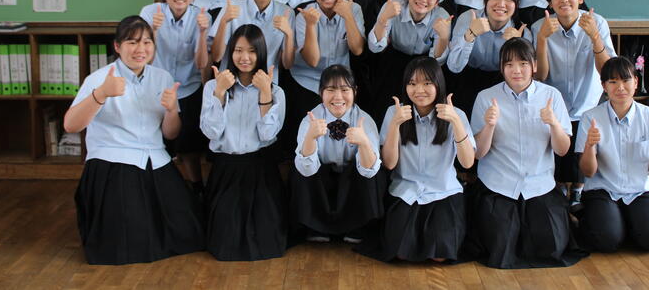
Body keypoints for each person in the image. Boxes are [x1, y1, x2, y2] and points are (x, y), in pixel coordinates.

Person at [64, 16, 204, 265]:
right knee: (127, 240)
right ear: (117, 46)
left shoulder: (162, 77)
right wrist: (101, 94)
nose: (141, 49)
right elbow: (71, 125)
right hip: (113, 159)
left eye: (147, 42)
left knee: (189, 231)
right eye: (132, 42)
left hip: (154, 158)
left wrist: (172, 110)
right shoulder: (99, 79)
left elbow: (170, 134)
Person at [466, 37, 584, 269]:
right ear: (501, 68)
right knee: (500, 245)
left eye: (523, 63)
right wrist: (489, 125)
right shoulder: (486, 97)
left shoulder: (551, 96)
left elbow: (562, 150)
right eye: (509, 64)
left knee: (551, 245)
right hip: (498, 184)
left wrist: (554, 124)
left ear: (534, 66)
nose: (516, 70)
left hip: (539, 183)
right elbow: (478, 154)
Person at [360, 57, 474, 263]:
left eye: (427, 83)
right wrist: (395, 125)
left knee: (440, 256)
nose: (419, 90)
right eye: (412, 83)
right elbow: (389, 164)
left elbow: (467, 163)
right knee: (401, 254)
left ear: (438, 84)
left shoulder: (456, 114)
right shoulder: (394, 112)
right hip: (406, 191)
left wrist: (456, 122)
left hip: (444, 192)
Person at [200, 24, 286, 261]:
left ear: (261, 53)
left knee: (268, 243)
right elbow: (211, 132)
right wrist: (219, 93)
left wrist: (265, 94)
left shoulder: (276, 91)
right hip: (226, 168)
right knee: (224, 242)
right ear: (231, 52)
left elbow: (268, 135)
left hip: (260, 169)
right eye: (238, 50)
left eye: (251, 51)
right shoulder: (213, 86)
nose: (244, 57)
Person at [531, 0, 615, 208]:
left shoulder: (597, 23)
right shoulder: (539, 27)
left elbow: (607, 72)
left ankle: (578, 189)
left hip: (587, 102)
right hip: (553, 105)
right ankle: (557, 188)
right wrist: (542, 40)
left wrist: (595, 38)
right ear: (549, 2)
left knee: (581, 152)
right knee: (557, 153)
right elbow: (540, 76)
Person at [576, 56, 649, 253]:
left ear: (635, 82)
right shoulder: (590, 117)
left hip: (639, 189)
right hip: (603, 189)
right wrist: (589, 146)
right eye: (613, 82)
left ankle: (624, 223)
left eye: (626, 80)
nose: (620, 87)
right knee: (606, 240)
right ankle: (606, 221)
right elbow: (588, 172)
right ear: (604, 86)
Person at [291, 64, 385, 244]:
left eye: (344, 89)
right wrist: (310, 138)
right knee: (300, 163)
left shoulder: (364, 120)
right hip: (321, 179)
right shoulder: (310, 119)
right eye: (331, 90)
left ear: (355, 92)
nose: (338, 97)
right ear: (321, 93)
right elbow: (306, 169)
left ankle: (358, 227)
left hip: (352, 180)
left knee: (373, 169)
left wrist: (364, 143)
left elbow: (370, 171)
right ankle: (316, 226)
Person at [139, 0, 210, 194]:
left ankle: (197, 189)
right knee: (157, 144)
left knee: (190, 147)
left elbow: (201, 63)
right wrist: (153, 31)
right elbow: (144, 60)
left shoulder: (202, 16)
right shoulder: (150, 13)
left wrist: (202, 33)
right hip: (156, 90)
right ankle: (162, 189)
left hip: (188, 89)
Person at [282, 0, 366, 147]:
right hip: (308, 80)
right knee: (308, 133)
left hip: (339, 81)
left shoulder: (354, 9)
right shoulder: (304, 14)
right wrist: (311, 25)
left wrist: (348, 17)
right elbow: (312, 60)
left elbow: (357, 49)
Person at [368, 0, 452, 121]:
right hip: (394, 60)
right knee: (384, 107)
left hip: (424, 66)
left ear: (437, 1)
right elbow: (375, 47)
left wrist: (444, 38)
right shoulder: (393, 6)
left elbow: (437, 61)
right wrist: (383, 19)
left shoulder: (442, 16)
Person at [447, 0, 530, 115]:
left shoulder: (521, 31)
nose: (501, 4)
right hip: (467, 78)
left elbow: (524, 80)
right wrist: (471, 34)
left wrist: (516, 46)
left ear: (517, 3)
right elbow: (454, 66)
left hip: (502, 82)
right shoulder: (468, 18)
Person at [207, 0, 294, 81]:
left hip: (266, 83)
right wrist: (223, 22)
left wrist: (289, 34)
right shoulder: (232, 6)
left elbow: (287, 65)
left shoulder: (286, 13)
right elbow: (216, 57)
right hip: (230, 81)